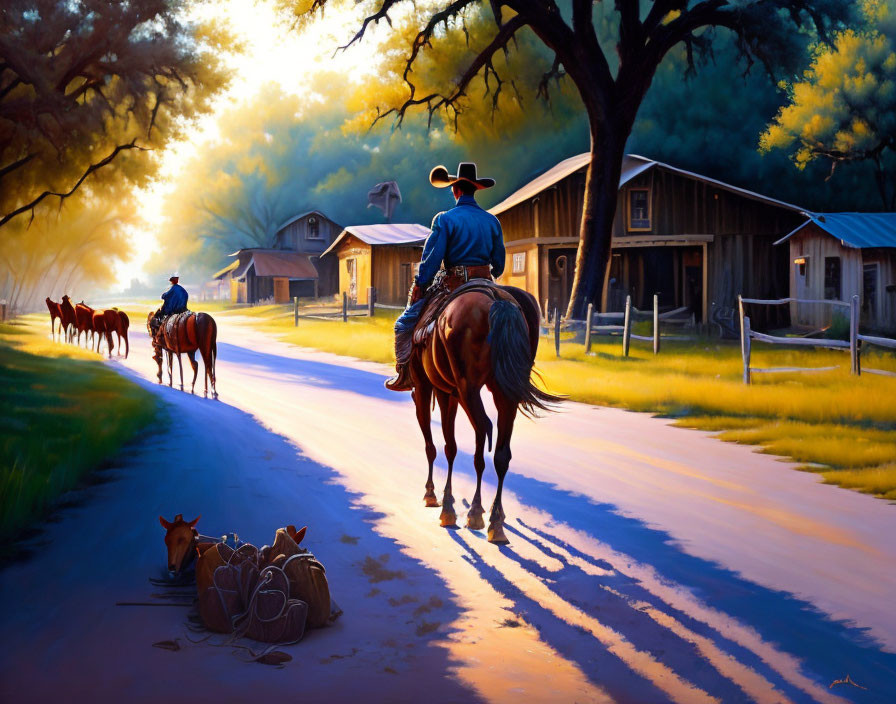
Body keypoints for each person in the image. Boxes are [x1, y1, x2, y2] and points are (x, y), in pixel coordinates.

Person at [385, 162, 506, 391]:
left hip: (454, 284)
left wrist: (421, 283)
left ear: (455, 190)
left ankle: (405, 375)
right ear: (475, 190)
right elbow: (499, 263)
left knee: (403, 325)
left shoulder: (444, 219)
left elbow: (432, 259)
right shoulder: (492, 221)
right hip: (486, 281)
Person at [151, 274, 189, 340]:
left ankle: (160, 330)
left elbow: (165, 296)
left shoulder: (173, 288)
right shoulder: (182, 289)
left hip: (175, 309)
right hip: (183, 308)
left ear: (172, 281)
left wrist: (163, 295)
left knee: (160, 314)